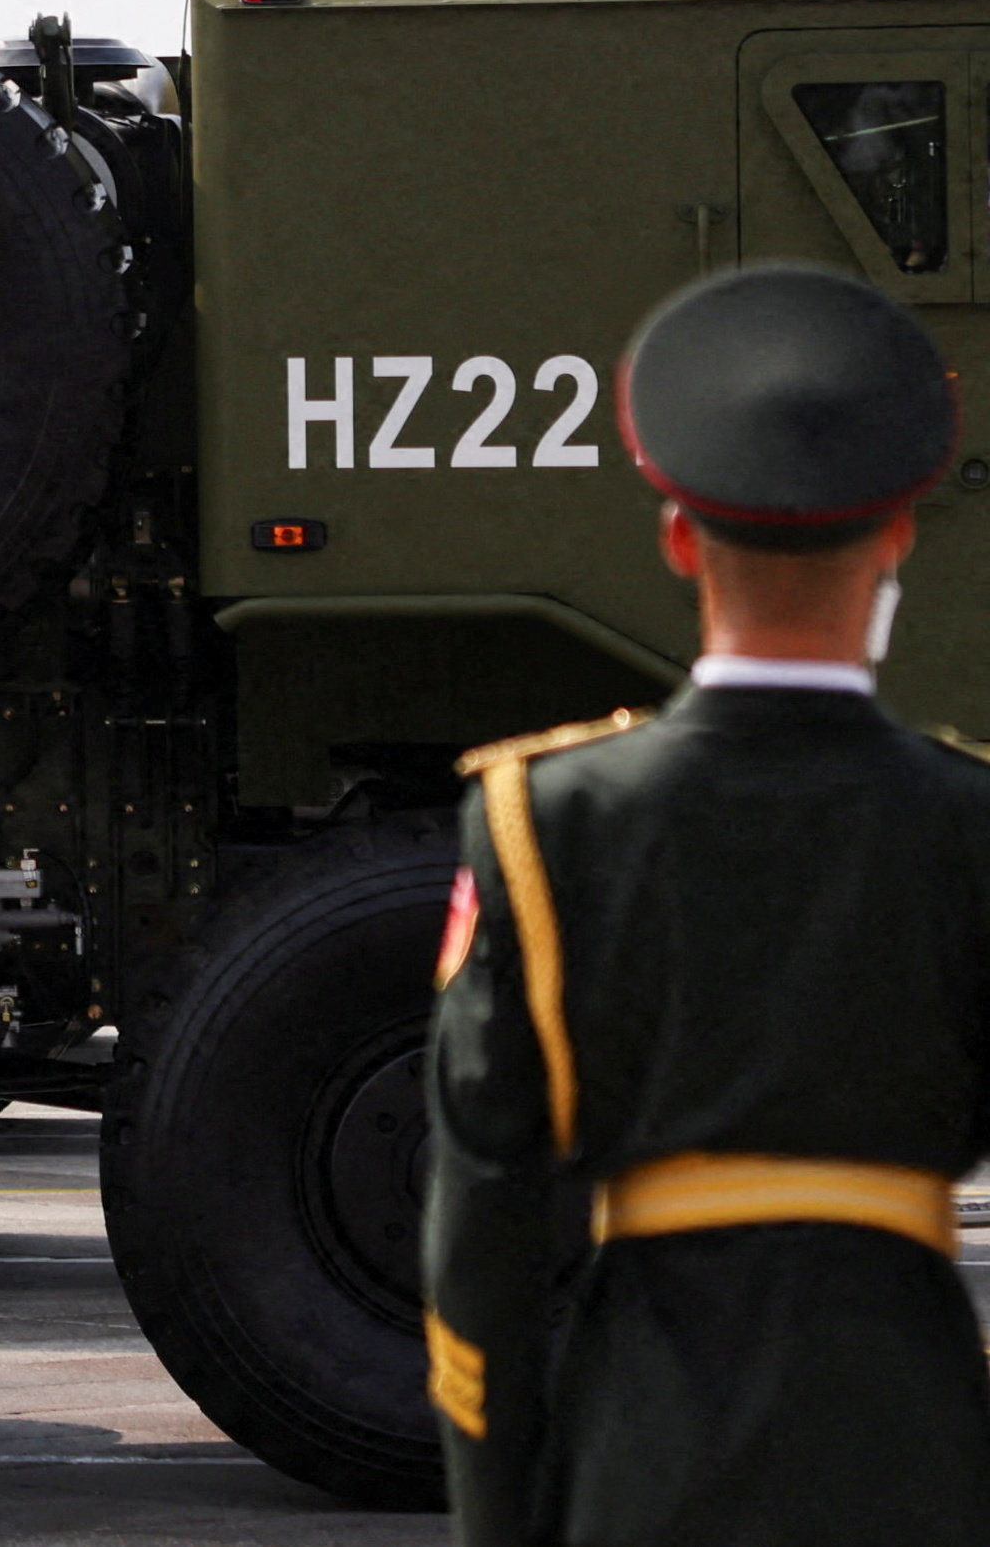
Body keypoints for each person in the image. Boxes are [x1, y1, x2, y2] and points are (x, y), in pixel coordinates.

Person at [424, 260, 990, 1545]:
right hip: (916, 1454)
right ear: (899, 533)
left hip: (649, 1454)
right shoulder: (968, 827)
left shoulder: (544, 820)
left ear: (679, 538)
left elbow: (482, 1241)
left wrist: (504, 1516)